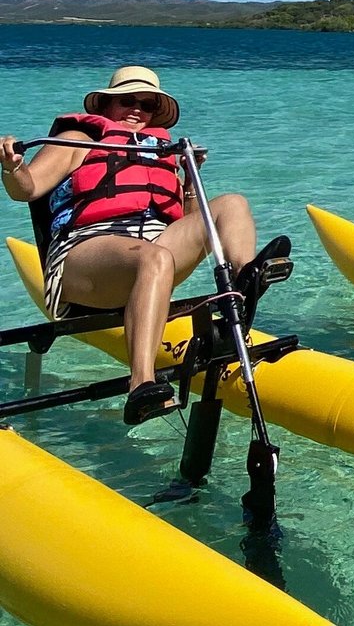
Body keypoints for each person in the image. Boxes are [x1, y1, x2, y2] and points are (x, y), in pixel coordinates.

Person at [1, 65, 289, 425]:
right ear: (106, 106)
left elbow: (188, 220)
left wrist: (187, 178)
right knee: (153, 258)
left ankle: (246, 280)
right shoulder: (80, 139)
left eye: (147, 104)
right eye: (127, 101)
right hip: (85, 258)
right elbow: (26, 189)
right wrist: (13, 168)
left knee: (231, 203)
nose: (137, 109)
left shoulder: (161, 151)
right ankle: (142, 384)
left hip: (154, 254)